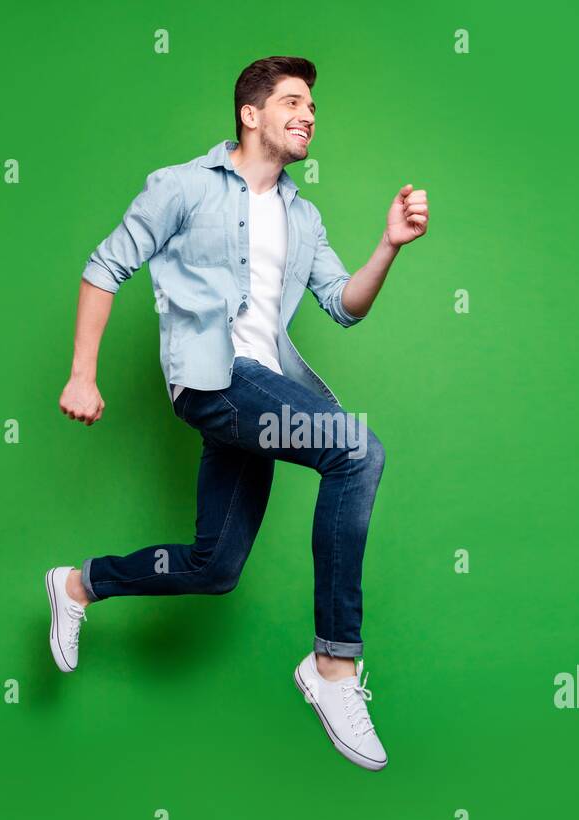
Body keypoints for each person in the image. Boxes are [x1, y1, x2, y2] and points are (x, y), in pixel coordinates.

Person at [45, 56, 429, 771]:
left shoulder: (302, 215)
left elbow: (343, 305)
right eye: (292, 101)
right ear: (251, 114)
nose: (308, 114)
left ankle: (78, 583)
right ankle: (333, 664)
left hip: (258, 390)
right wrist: (82, 373)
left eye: (312, 105)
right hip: (211, 381)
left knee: (214, 564)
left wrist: (388, 248)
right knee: (356, 449)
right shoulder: (183, 187)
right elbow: (106, 265)